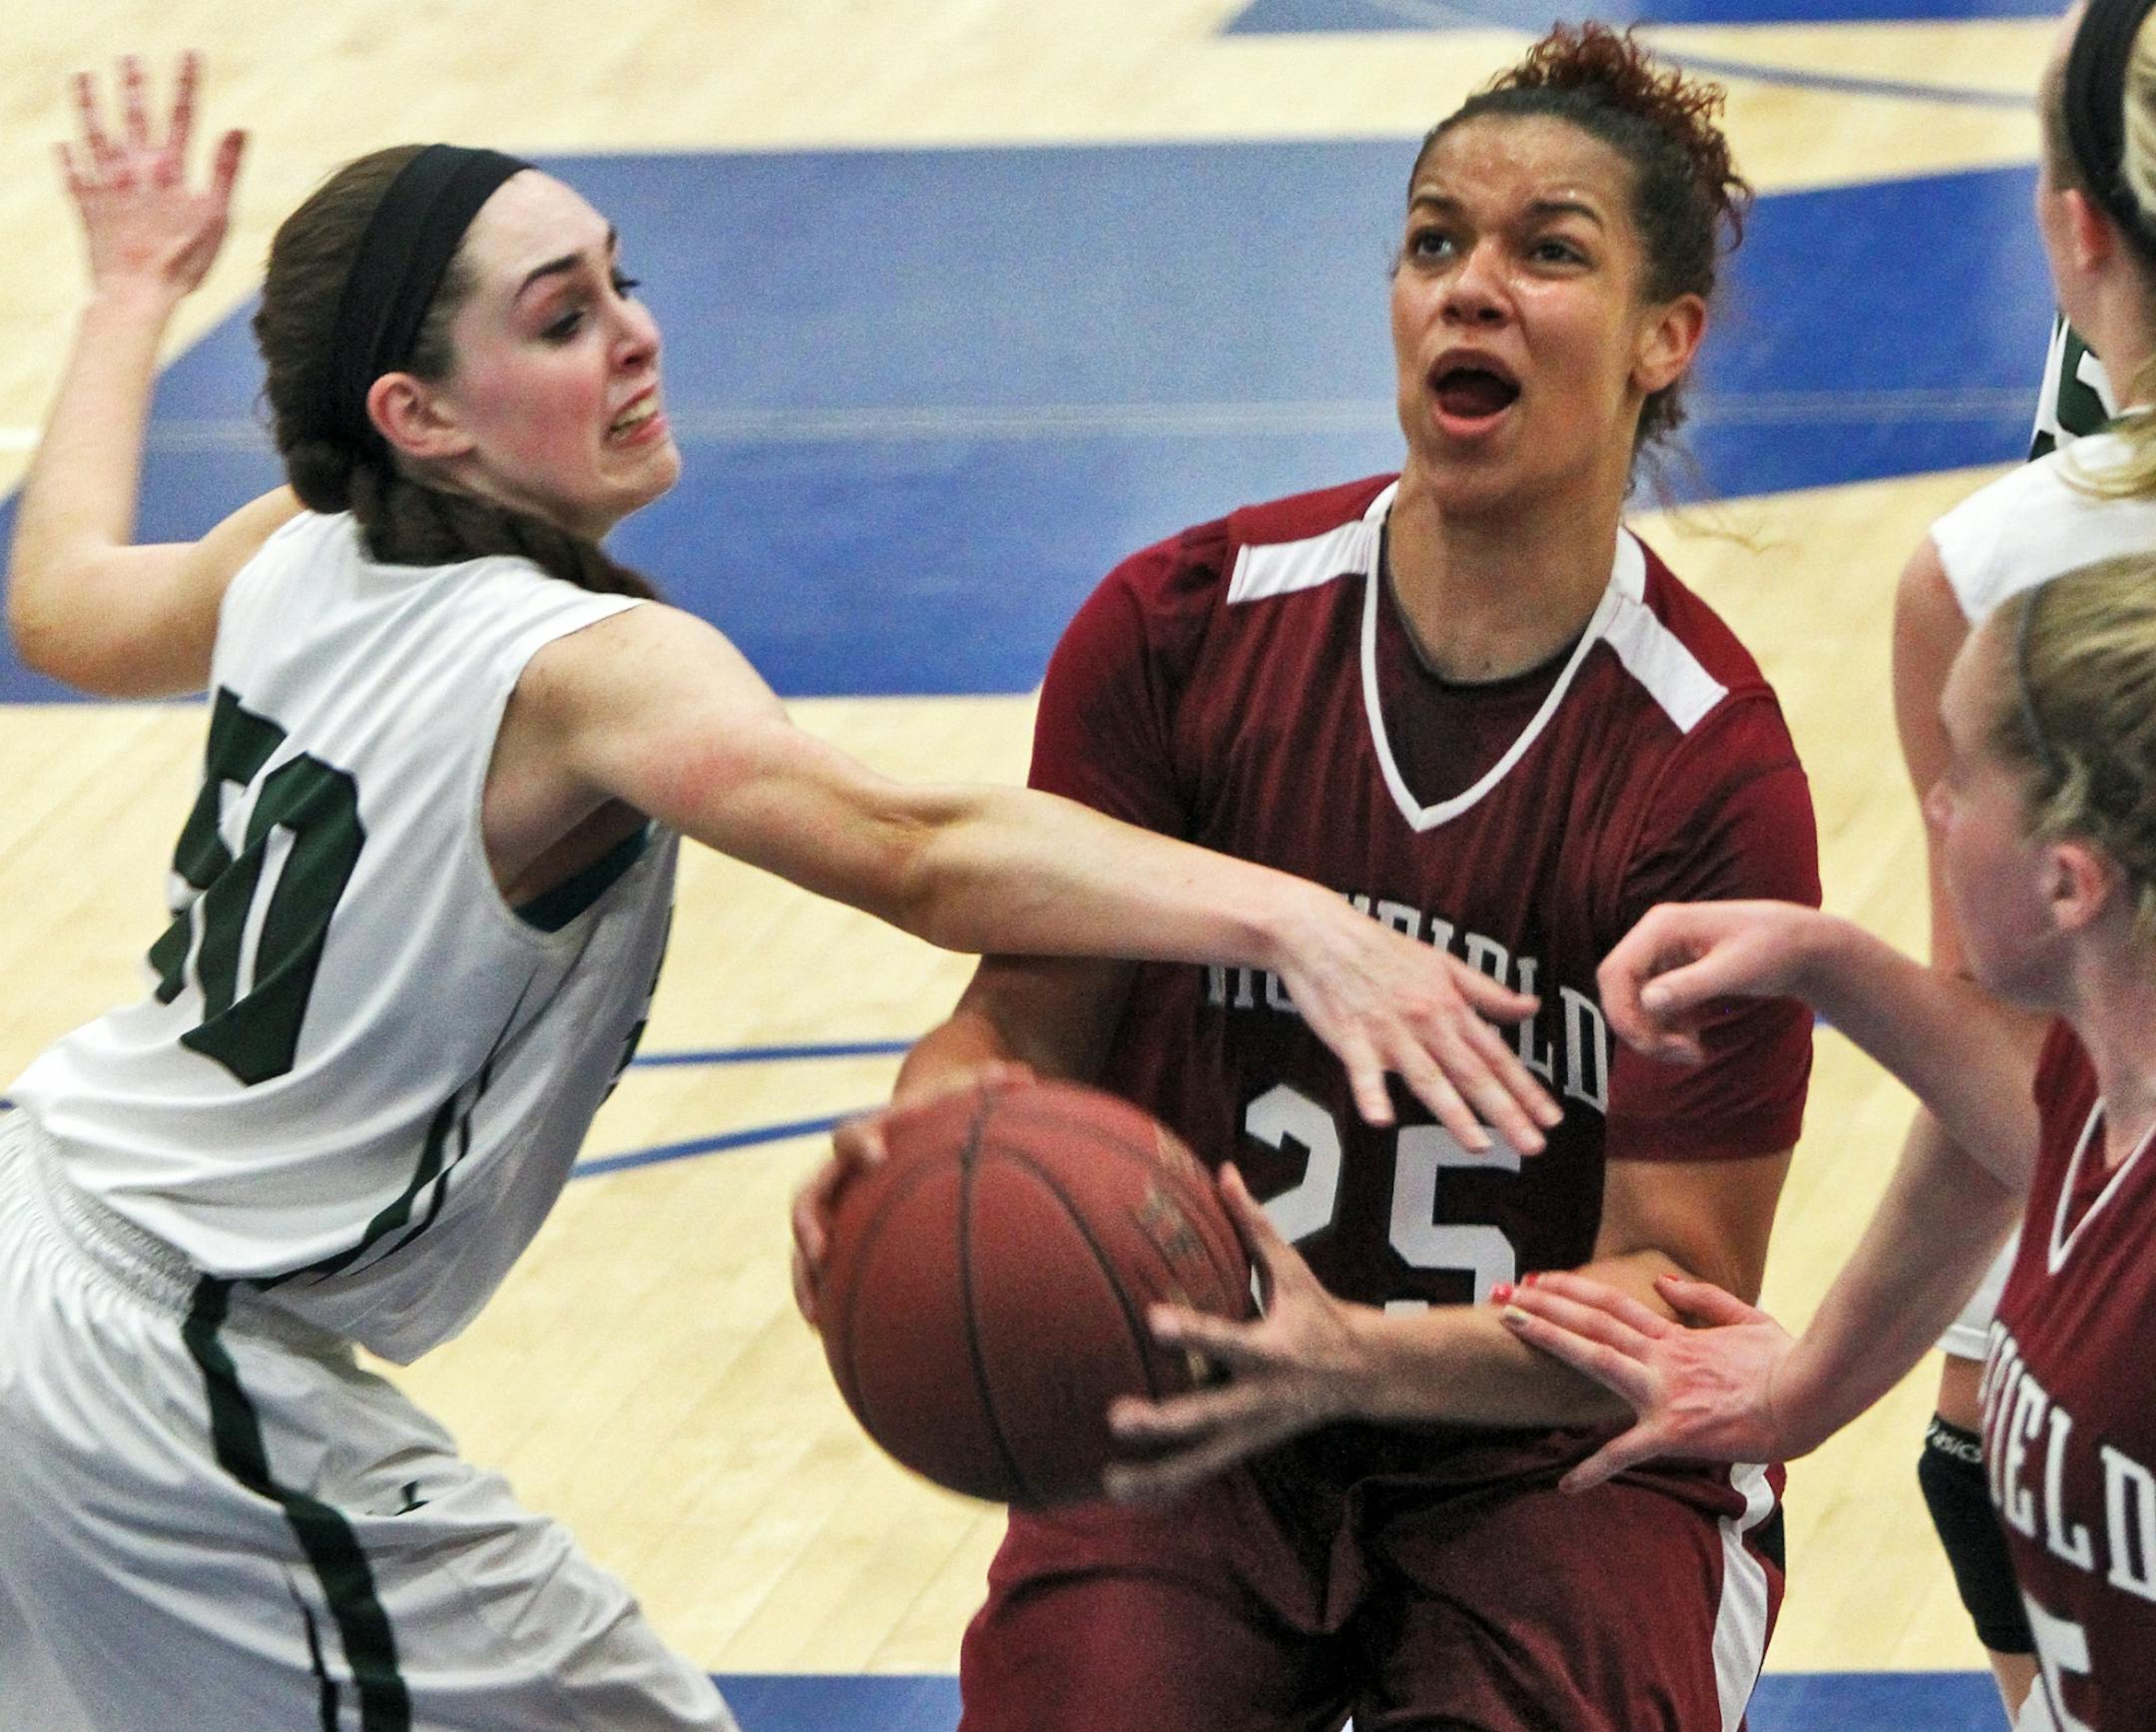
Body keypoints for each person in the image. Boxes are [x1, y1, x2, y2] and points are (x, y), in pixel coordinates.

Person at [0, 57, 1561, 1732]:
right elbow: (919, 847)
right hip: (161, 1365)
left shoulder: (295, 546)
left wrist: (130, 297)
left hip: (42, 1223)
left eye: (623, 281)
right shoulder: (586, 667)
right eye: (560, 319)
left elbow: (68, 605)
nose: (635, 334)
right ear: (420, 417)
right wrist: (1296, 918)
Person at [795, 23, 1821, 1730]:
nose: (1469, 289)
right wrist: (920, 1137)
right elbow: (1018, 1030)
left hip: (1555, 1461)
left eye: (1545, 251)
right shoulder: (1180, 631)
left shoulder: (1704, 769)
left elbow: (1681, 1288)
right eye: (1435, 241)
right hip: (1200, 1410)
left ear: (1667, 337)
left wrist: (1352, 1352)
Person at [1497, 548, 2156, 1732]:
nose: (1935, 809)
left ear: (2071, 885)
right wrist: (1825, 961)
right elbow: (2010, 1116)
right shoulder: (2100, 1091)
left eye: (1961, 782)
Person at [1883, 5, 2143, 1715]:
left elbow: (2012, 1057)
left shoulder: (2000, 568)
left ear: (2072, 225)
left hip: (2095, 1333)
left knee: (1995, 1449)